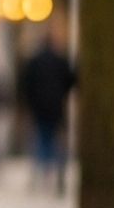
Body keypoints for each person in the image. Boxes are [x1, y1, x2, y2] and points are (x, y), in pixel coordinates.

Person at [22, 34, 76, 194]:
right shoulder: (60, 60)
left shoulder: (34, 61)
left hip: (38, 107)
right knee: (56, 141)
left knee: (40, 138)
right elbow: (71, 80)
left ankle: (39, 175)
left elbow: (27, 83)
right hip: (56, 106)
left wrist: (29, 102)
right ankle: (56, 176)